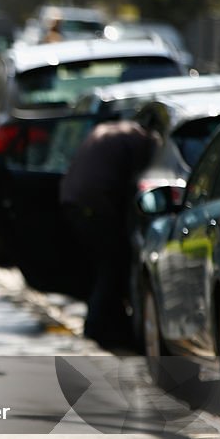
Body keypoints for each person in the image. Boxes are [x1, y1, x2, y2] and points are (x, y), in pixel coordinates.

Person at [59, 120, 159, 348]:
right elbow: (136, 181)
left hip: (73, 200)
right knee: (111, 265)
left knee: (104, 264)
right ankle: (97, 326)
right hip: (94, 205)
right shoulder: (138, 143)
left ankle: (107, 325)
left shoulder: (110, 132)